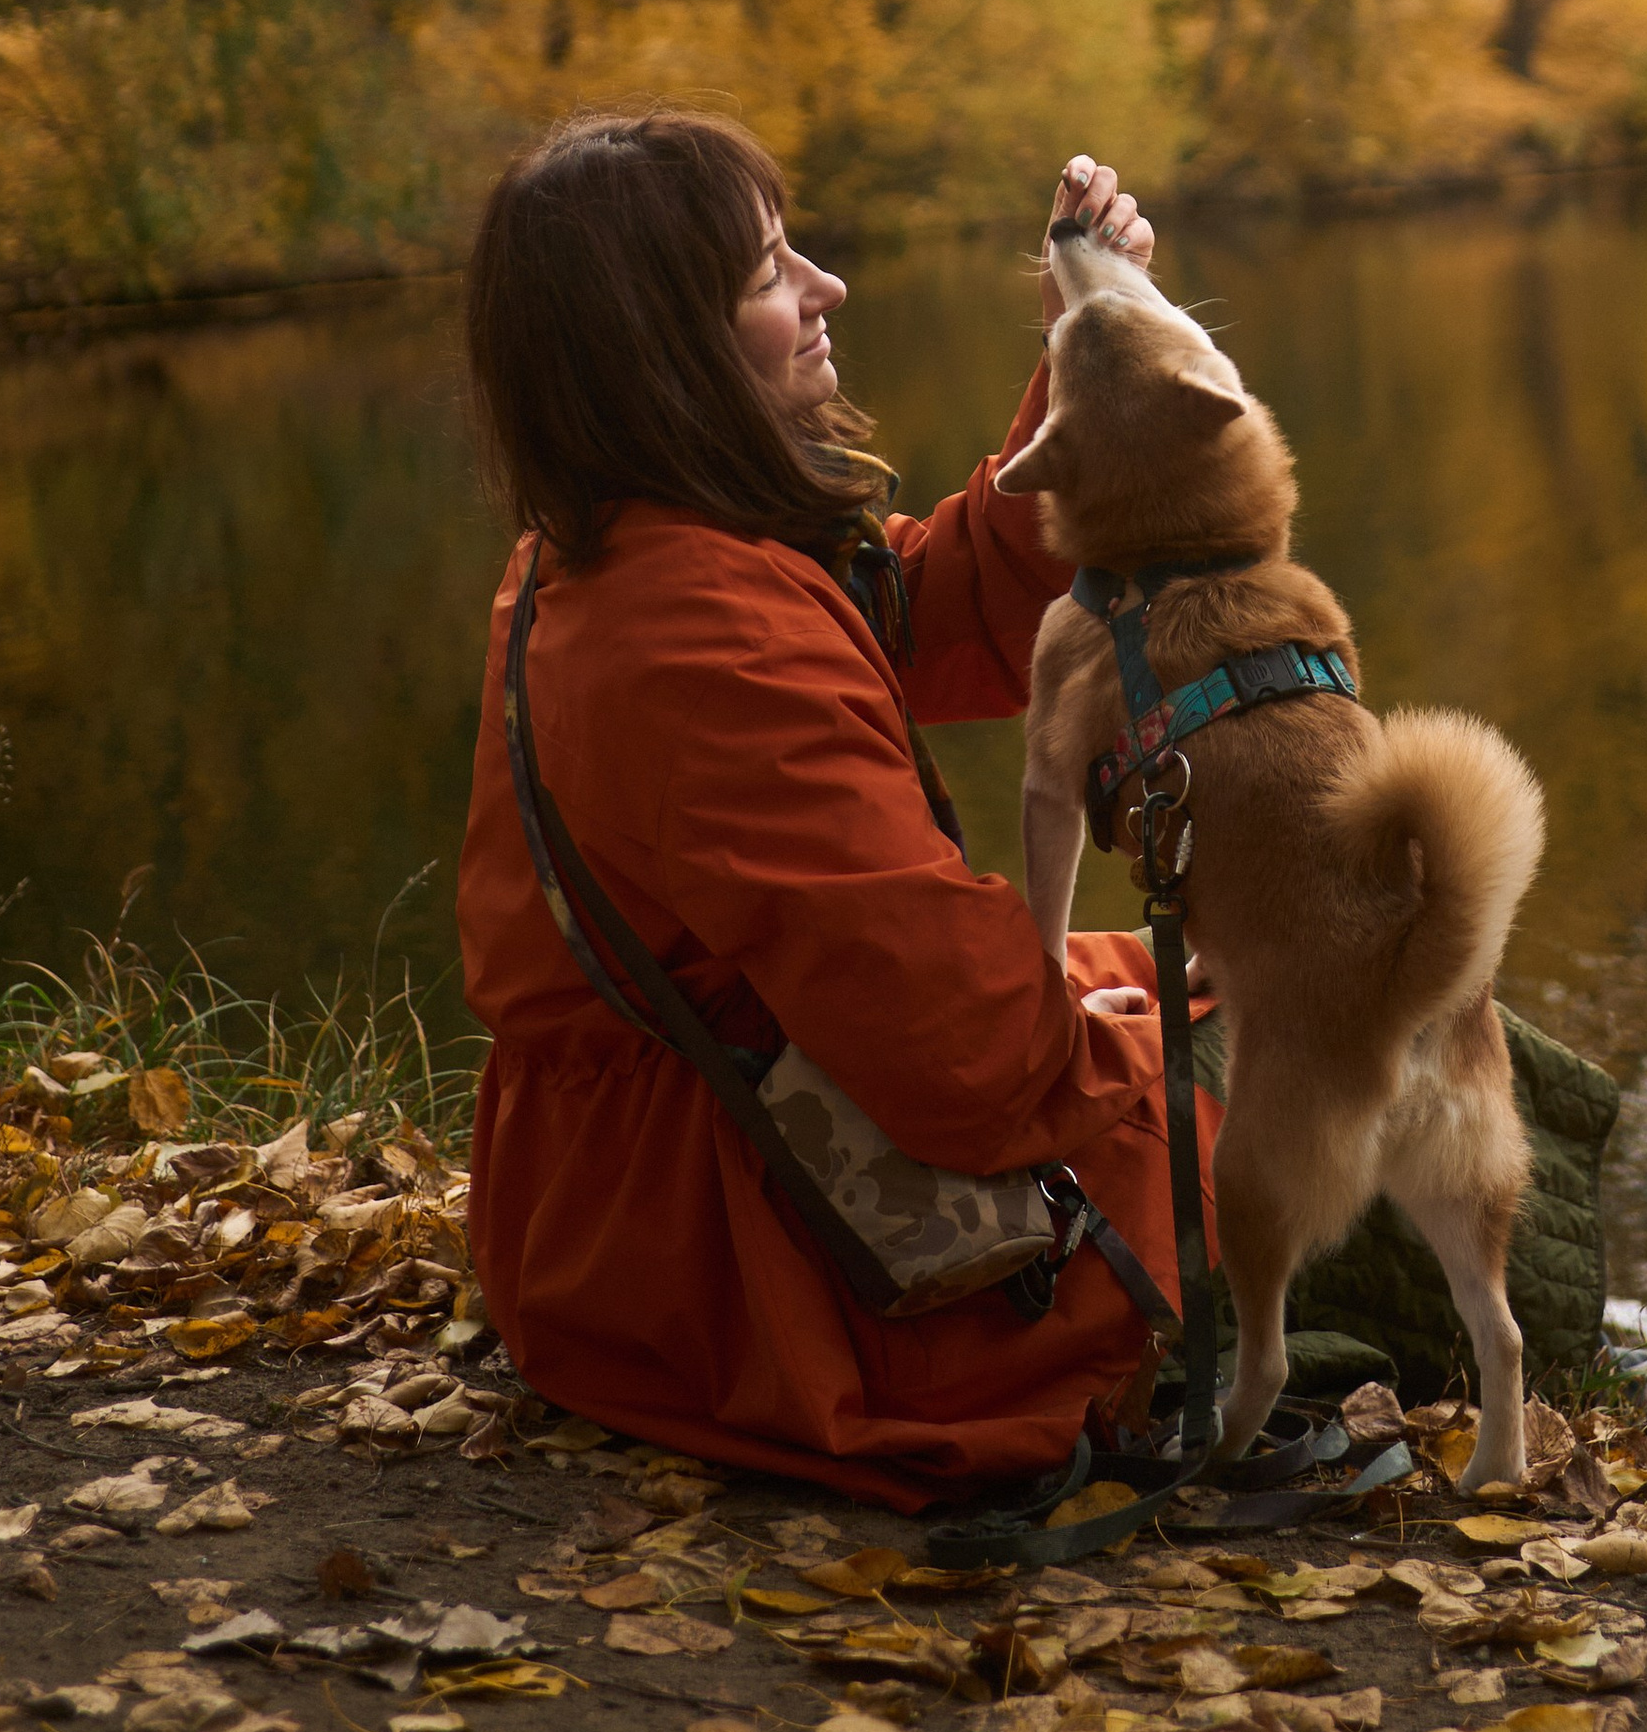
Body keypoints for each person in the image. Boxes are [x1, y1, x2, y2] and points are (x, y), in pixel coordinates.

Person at [455, 107, 1196, 1509]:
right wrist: (1177, 1045)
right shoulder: (698, 639)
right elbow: (971, 1055)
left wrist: (1085, 344)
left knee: (1229, 984)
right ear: (662, 351)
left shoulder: (634, 547)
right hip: (736, 1266)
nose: (827, 292)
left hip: (633, 1200)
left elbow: (949, 600)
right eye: (772, 272)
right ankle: (1553, 1366)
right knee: (1307, 1045)